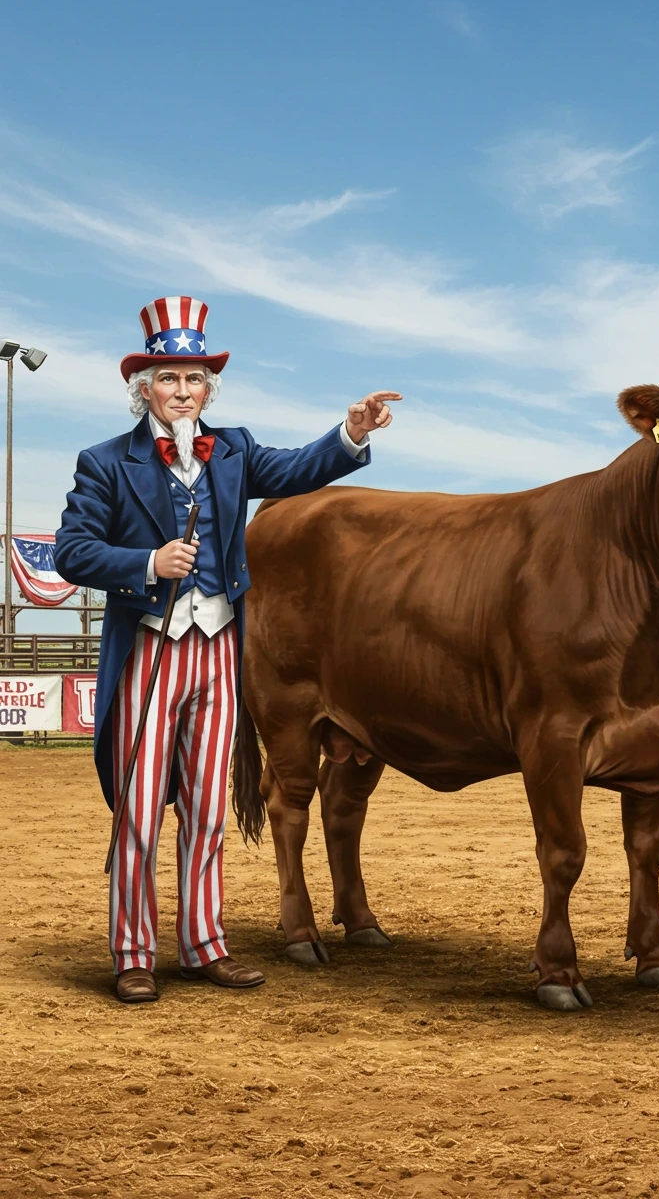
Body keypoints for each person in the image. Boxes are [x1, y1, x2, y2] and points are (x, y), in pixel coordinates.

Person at [55, 295, 400, 1004]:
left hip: (219, 652)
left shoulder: (235, 450)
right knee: (141, 810)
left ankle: (204, 945)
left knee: (210, 808)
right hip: (151, 650)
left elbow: (300, 469)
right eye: (168, 379)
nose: (182, 392)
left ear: (209, 389)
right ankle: (131, 952)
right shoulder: (104, 463)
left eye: (195, 380)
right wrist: (147, 564)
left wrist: (350, 434)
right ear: (142, 389)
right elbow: (71, 550)